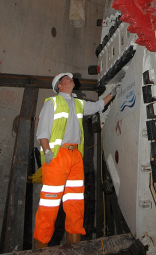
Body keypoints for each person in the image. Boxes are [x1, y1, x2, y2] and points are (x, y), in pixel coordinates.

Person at [33, 72, 116, 248]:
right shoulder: (52, 103)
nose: (70, 79)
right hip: (57, 156)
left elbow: (98, 106)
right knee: (50, 203)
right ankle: (40, 248)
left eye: (70, 77)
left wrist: (114, 92)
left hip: (75, 157)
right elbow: (42, 131)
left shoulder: (78, 104)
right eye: (65, 79)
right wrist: (47, 151)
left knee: (75, 203)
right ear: (59, 87)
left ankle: (74, 247)